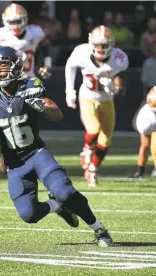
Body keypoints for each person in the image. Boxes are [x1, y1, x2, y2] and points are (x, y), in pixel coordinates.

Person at [0, 46, 113, 247]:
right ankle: (57, 206)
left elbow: (57, 113)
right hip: (14, 164)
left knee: (66, 192)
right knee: (29, 214)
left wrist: (43, 107)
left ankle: (99, 228)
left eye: (3, 66)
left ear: (16, 67)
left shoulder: (30, 85)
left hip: (36, 154)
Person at [0, 3, 53, 175]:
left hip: (28, 83)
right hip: (8, 85)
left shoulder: (35, 32)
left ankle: (24, 157)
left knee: (28, 122)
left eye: (19, 21)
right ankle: (9, 156)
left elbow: (46, 48)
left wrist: (46, 65)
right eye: (12, 21)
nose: (16, 25)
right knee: (10, 123)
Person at [64, 25, 129, 187]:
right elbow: (70, 66)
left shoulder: (119, 59)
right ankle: (87, 148)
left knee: (106, 140)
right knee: (93, 128)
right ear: (91, 43)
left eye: (104, 45)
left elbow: (120, 83)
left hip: (107, 99)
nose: (100, 48)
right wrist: (69, 91)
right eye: (97, 44)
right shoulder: (82, 52)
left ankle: (92, 169)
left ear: (111, 45)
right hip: (87, 96)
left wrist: (113, 88)